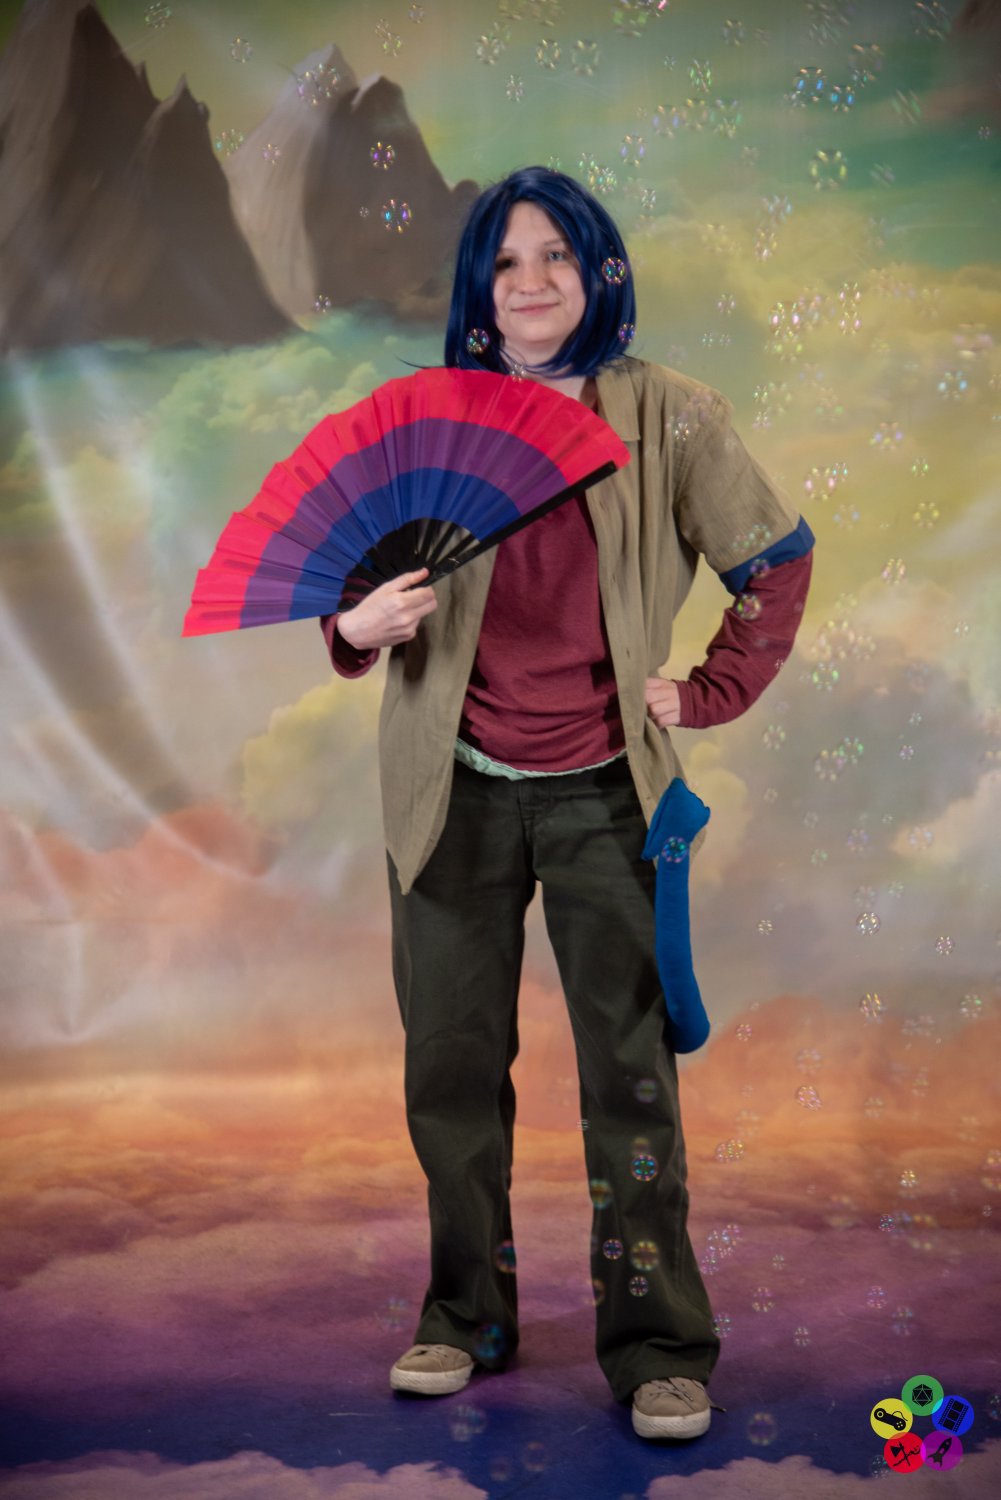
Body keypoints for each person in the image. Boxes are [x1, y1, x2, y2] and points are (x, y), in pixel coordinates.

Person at [320, 166, 813, 1441]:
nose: (529, 281)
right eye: (503, 261)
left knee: (629, 1079)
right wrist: (354, 628)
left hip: (608, 794)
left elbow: (774, 559)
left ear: (599, 273)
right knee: (448, 1069)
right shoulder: (425, 421)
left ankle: (657, 1345)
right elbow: (352, 591)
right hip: (449, 794)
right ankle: (463, 1315)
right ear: (476, 290)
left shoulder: (672, 415)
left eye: (555, 255)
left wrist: (704, 690)